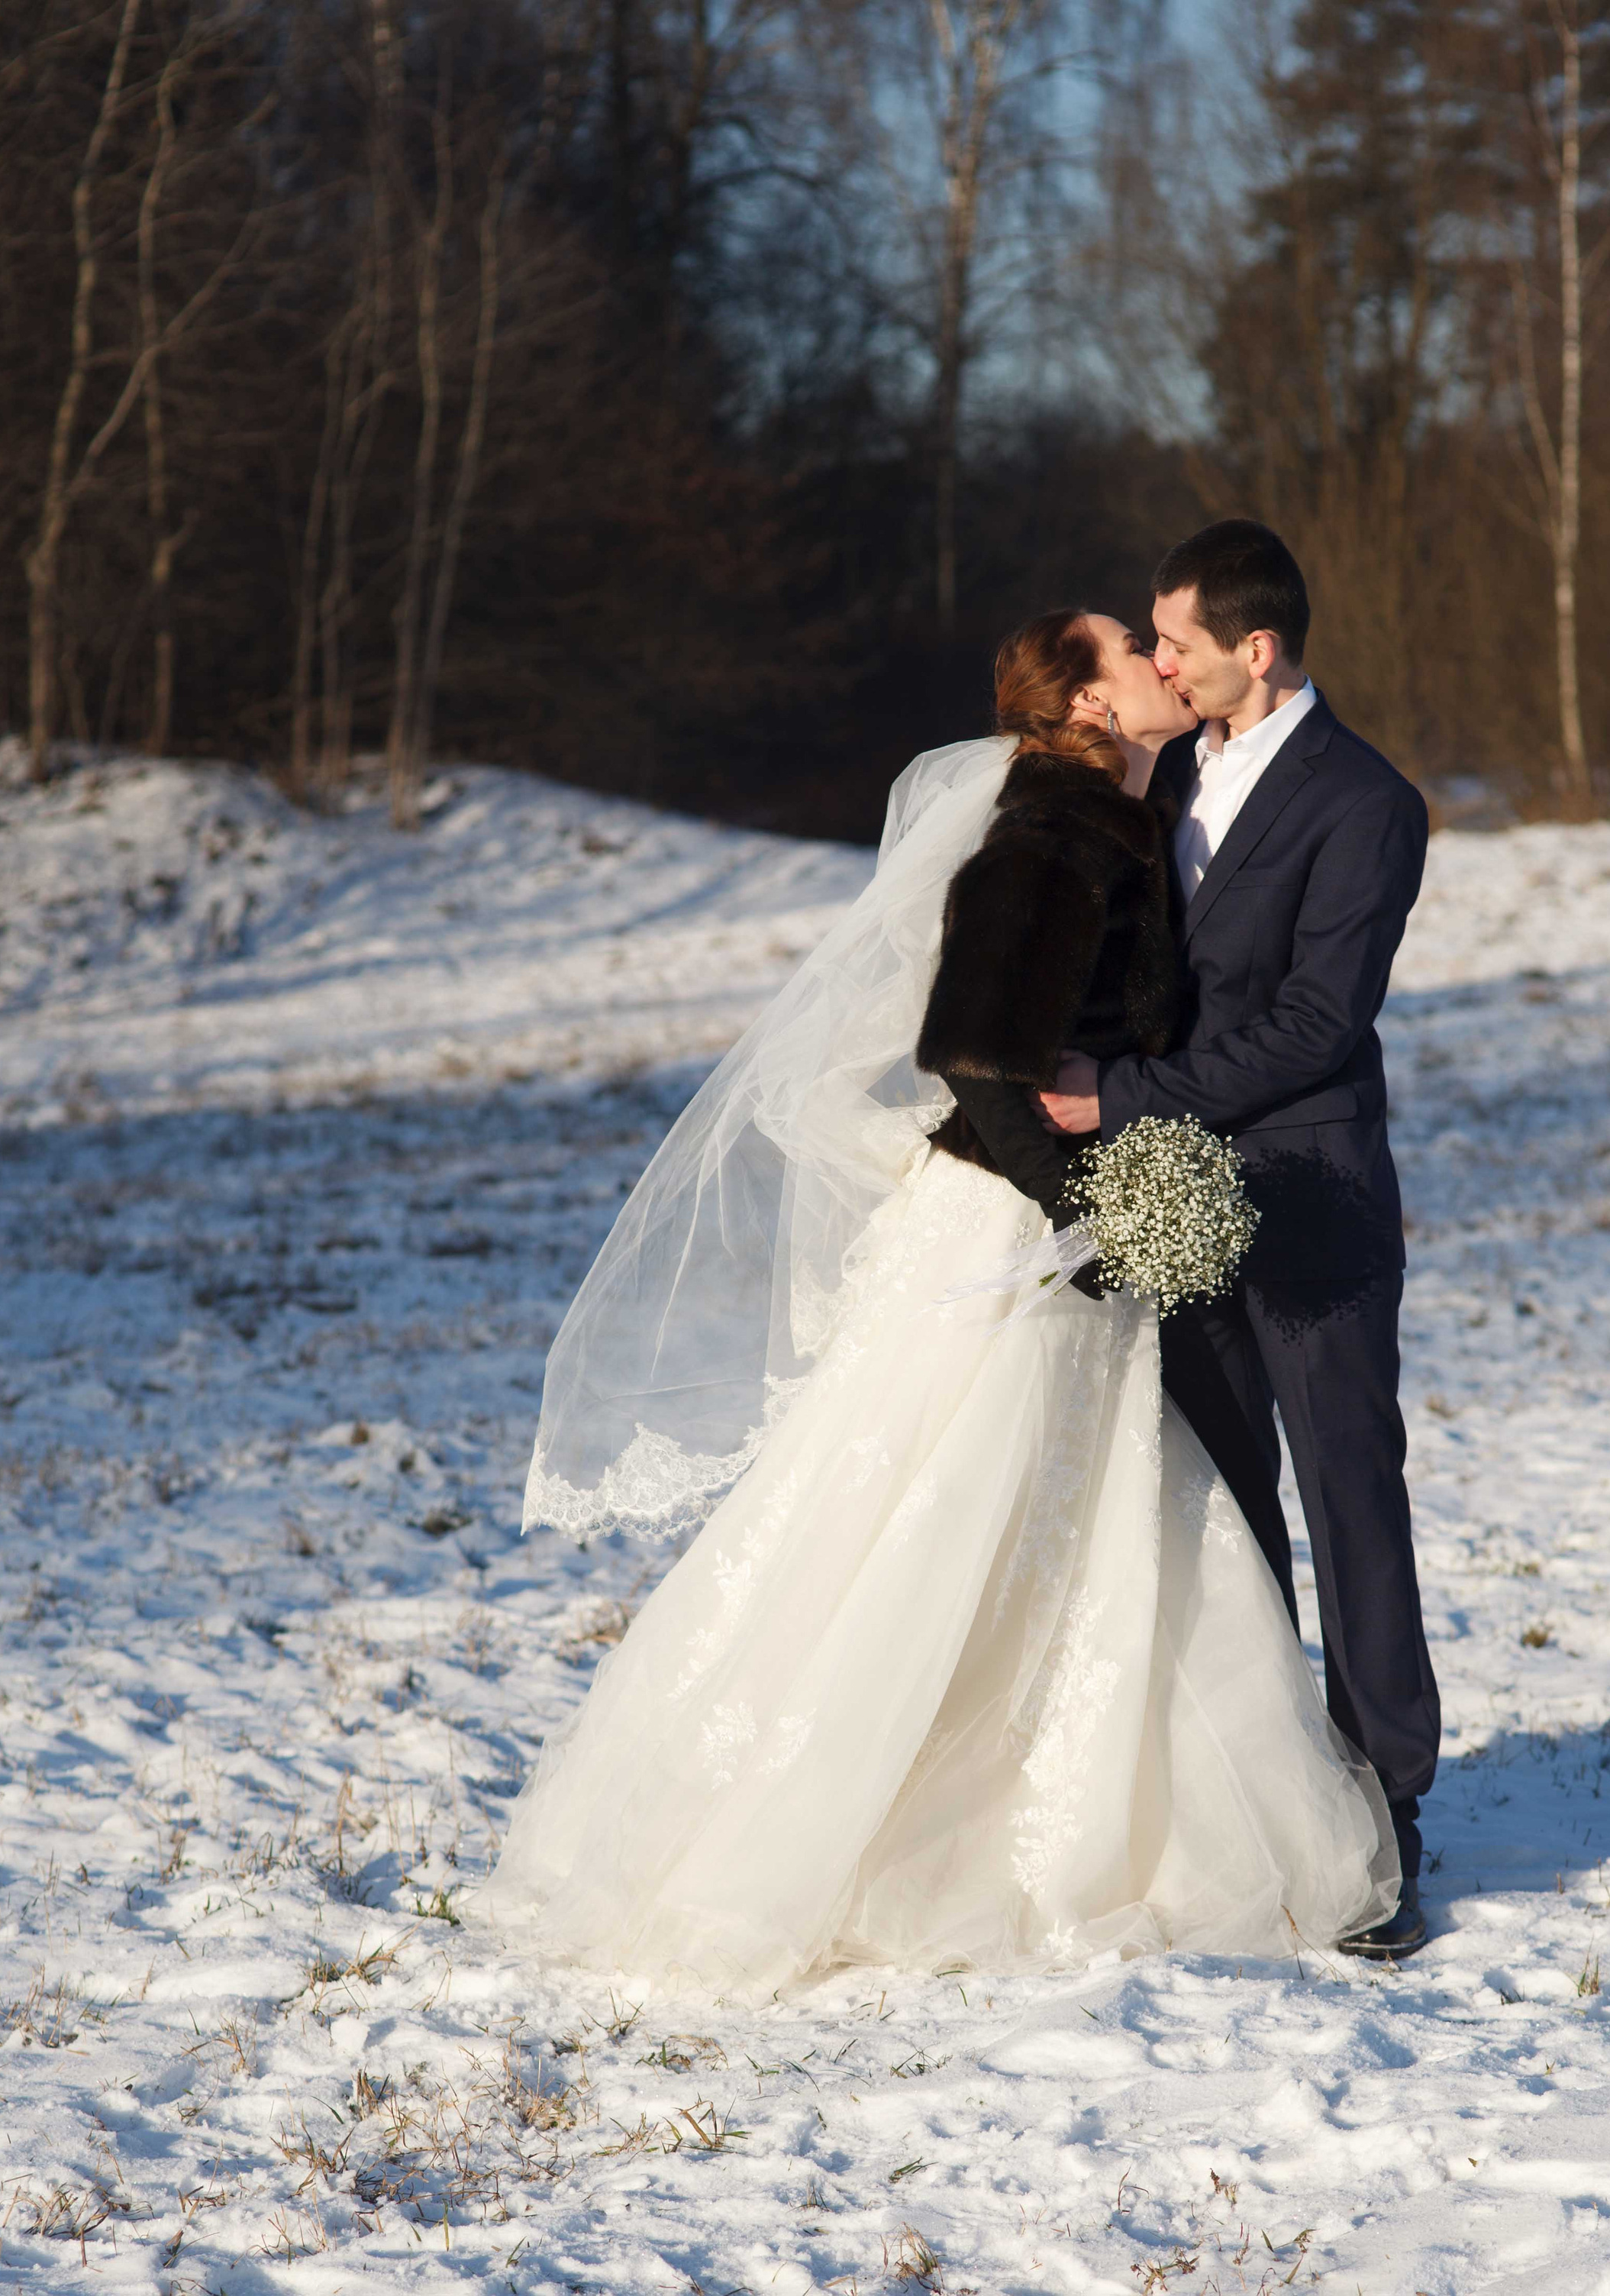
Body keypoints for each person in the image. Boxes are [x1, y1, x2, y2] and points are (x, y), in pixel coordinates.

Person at [473, 606, 1398, 1999]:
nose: (1161, 662)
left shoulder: (1125, 821)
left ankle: (1051, 1813)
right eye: (1128, 649)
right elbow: (975, 1053)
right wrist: (1082, 1209)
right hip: (1007, 1231)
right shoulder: (1048, 838)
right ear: (1087, 706)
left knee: (1070, 1524)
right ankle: (828, 1840)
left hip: (1070, 1234)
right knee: (935, 1511)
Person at [1039, 521, 1438, 1960]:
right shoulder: (1161, 780)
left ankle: (1388, 1814)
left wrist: (1122, 1096)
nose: (1159, 661)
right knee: (1223, 1503)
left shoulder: (1368, 804)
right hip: (1173, 1199)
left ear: (1253, 649)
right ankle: (1275, 1802)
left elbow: (1319, 1025)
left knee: (1350, 1494)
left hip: (1313, 1195)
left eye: (1177, 642)